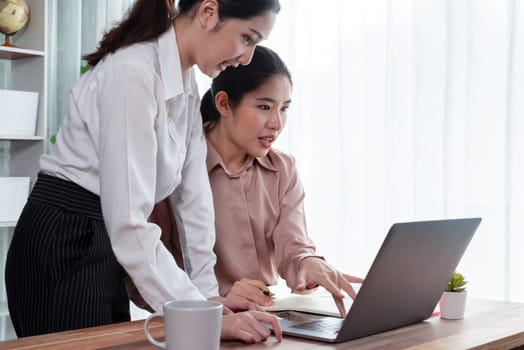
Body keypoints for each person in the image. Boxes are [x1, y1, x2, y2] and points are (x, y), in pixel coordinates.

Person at [5, 0, 282, 343]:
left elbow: (193, 199)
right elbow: (130, 222)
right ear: (209, 12)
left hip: (102, 237)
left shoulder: (184, 82)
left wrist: (209, 298)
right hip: (66, 239)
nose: (247, 57)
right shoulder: (133, 72)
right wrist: (199, 313)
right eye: (248, 38)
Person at [148, 45, 363, 318]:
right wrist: (217, 298)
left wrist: (308, 264)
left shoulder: (283, 169)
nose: (276, 123)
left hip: (269, 321)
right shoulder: (174, 166)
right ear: (224, 103)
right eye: (264, 107)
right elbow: (147, 268)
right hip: (201, 324)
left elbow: (294, 247)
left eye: (284, 109)